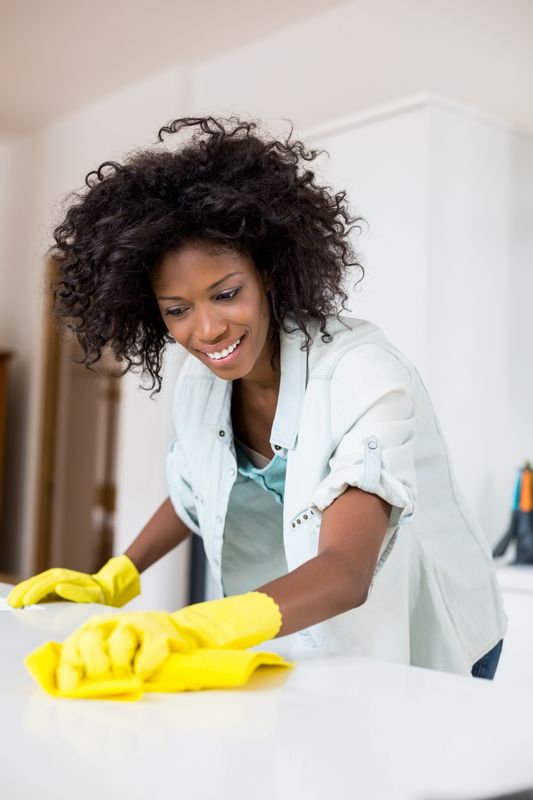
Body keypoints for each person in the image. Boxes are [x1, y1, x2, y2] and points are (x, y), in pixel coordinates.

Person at [8, 116, 506, 688]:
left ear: (265, 271)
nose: (208, 329)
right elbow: (194, 485)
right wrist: (117, 574)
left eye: (226, 294)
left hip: (437, 639)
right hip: (305, 630)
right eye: (177, 309)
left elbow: (346, 572)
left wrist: (195, 629)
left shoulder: (361, 374)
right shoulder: (200, 386)